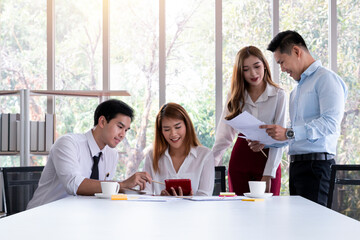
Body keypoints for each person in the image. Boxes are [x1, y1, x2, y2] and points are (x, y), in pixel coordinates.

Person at [262, 30, 347, 206]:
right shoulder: (296, 91)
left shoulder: (326, 79)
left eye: (282, 62)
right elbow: (294, 135)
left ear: (296, 51)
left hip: (317, 168)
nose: (282, 69)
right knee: (300, 230)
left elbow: (330, 123)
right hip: (297, 168)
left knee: (314, 230)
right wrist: (267, 142)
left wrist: (289, 133)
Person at [27, 99, 152, 209]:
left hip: (78, 216)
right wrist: (123, 184)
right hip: (43, 215)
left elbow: (104, 192)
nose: (123, 134)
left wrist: (145, 194)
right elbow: (74, 184)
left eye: (126, 130)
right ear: (102, 122)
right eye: (120, 127)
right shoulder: (68, 144)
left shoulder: (112, 154)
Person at [212, 46, 286, 196]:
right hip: (240, 159)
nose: (253, 73)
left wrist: (268, 173)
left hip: (268, 160)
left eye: (257, 66)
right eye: (246, 69)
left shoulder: (279, 95)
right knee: (239, 213)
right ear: (240, 72)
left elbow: (280, 138)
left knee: (269, 213)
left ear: (264, 65)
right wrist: (208, 167)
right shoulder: (235, 96)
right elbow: (223, 136)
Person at [143, 103, 214, 196]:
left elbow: (205, 196)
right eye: (167, 129)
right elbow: (145, 195)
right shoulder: (152, 156)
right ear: (161, 132)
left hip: (195, 210)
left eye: (178, 127)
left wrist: (188, 201)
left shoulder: (205, 155)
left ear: (186, 125)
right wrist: (160, 198)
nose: (173, 134)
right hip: (161, 210)